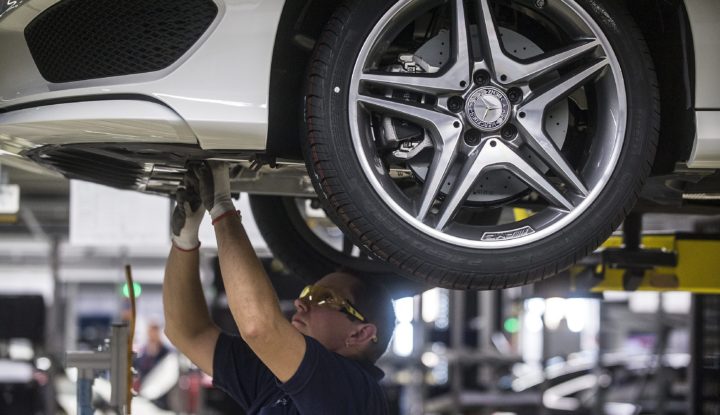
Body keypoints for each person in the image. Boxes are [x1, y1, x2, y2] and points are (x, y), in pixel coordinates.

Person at [162, 161, 396, 414]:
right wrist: (185, 239)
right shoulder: (276, 378)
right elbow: (189, 332)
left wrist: (222, 208)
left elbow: (258, 329)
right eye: (308, 293)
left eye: (324, 297)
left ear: (360, 334)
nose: (300, 302)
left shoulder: (353, 392)